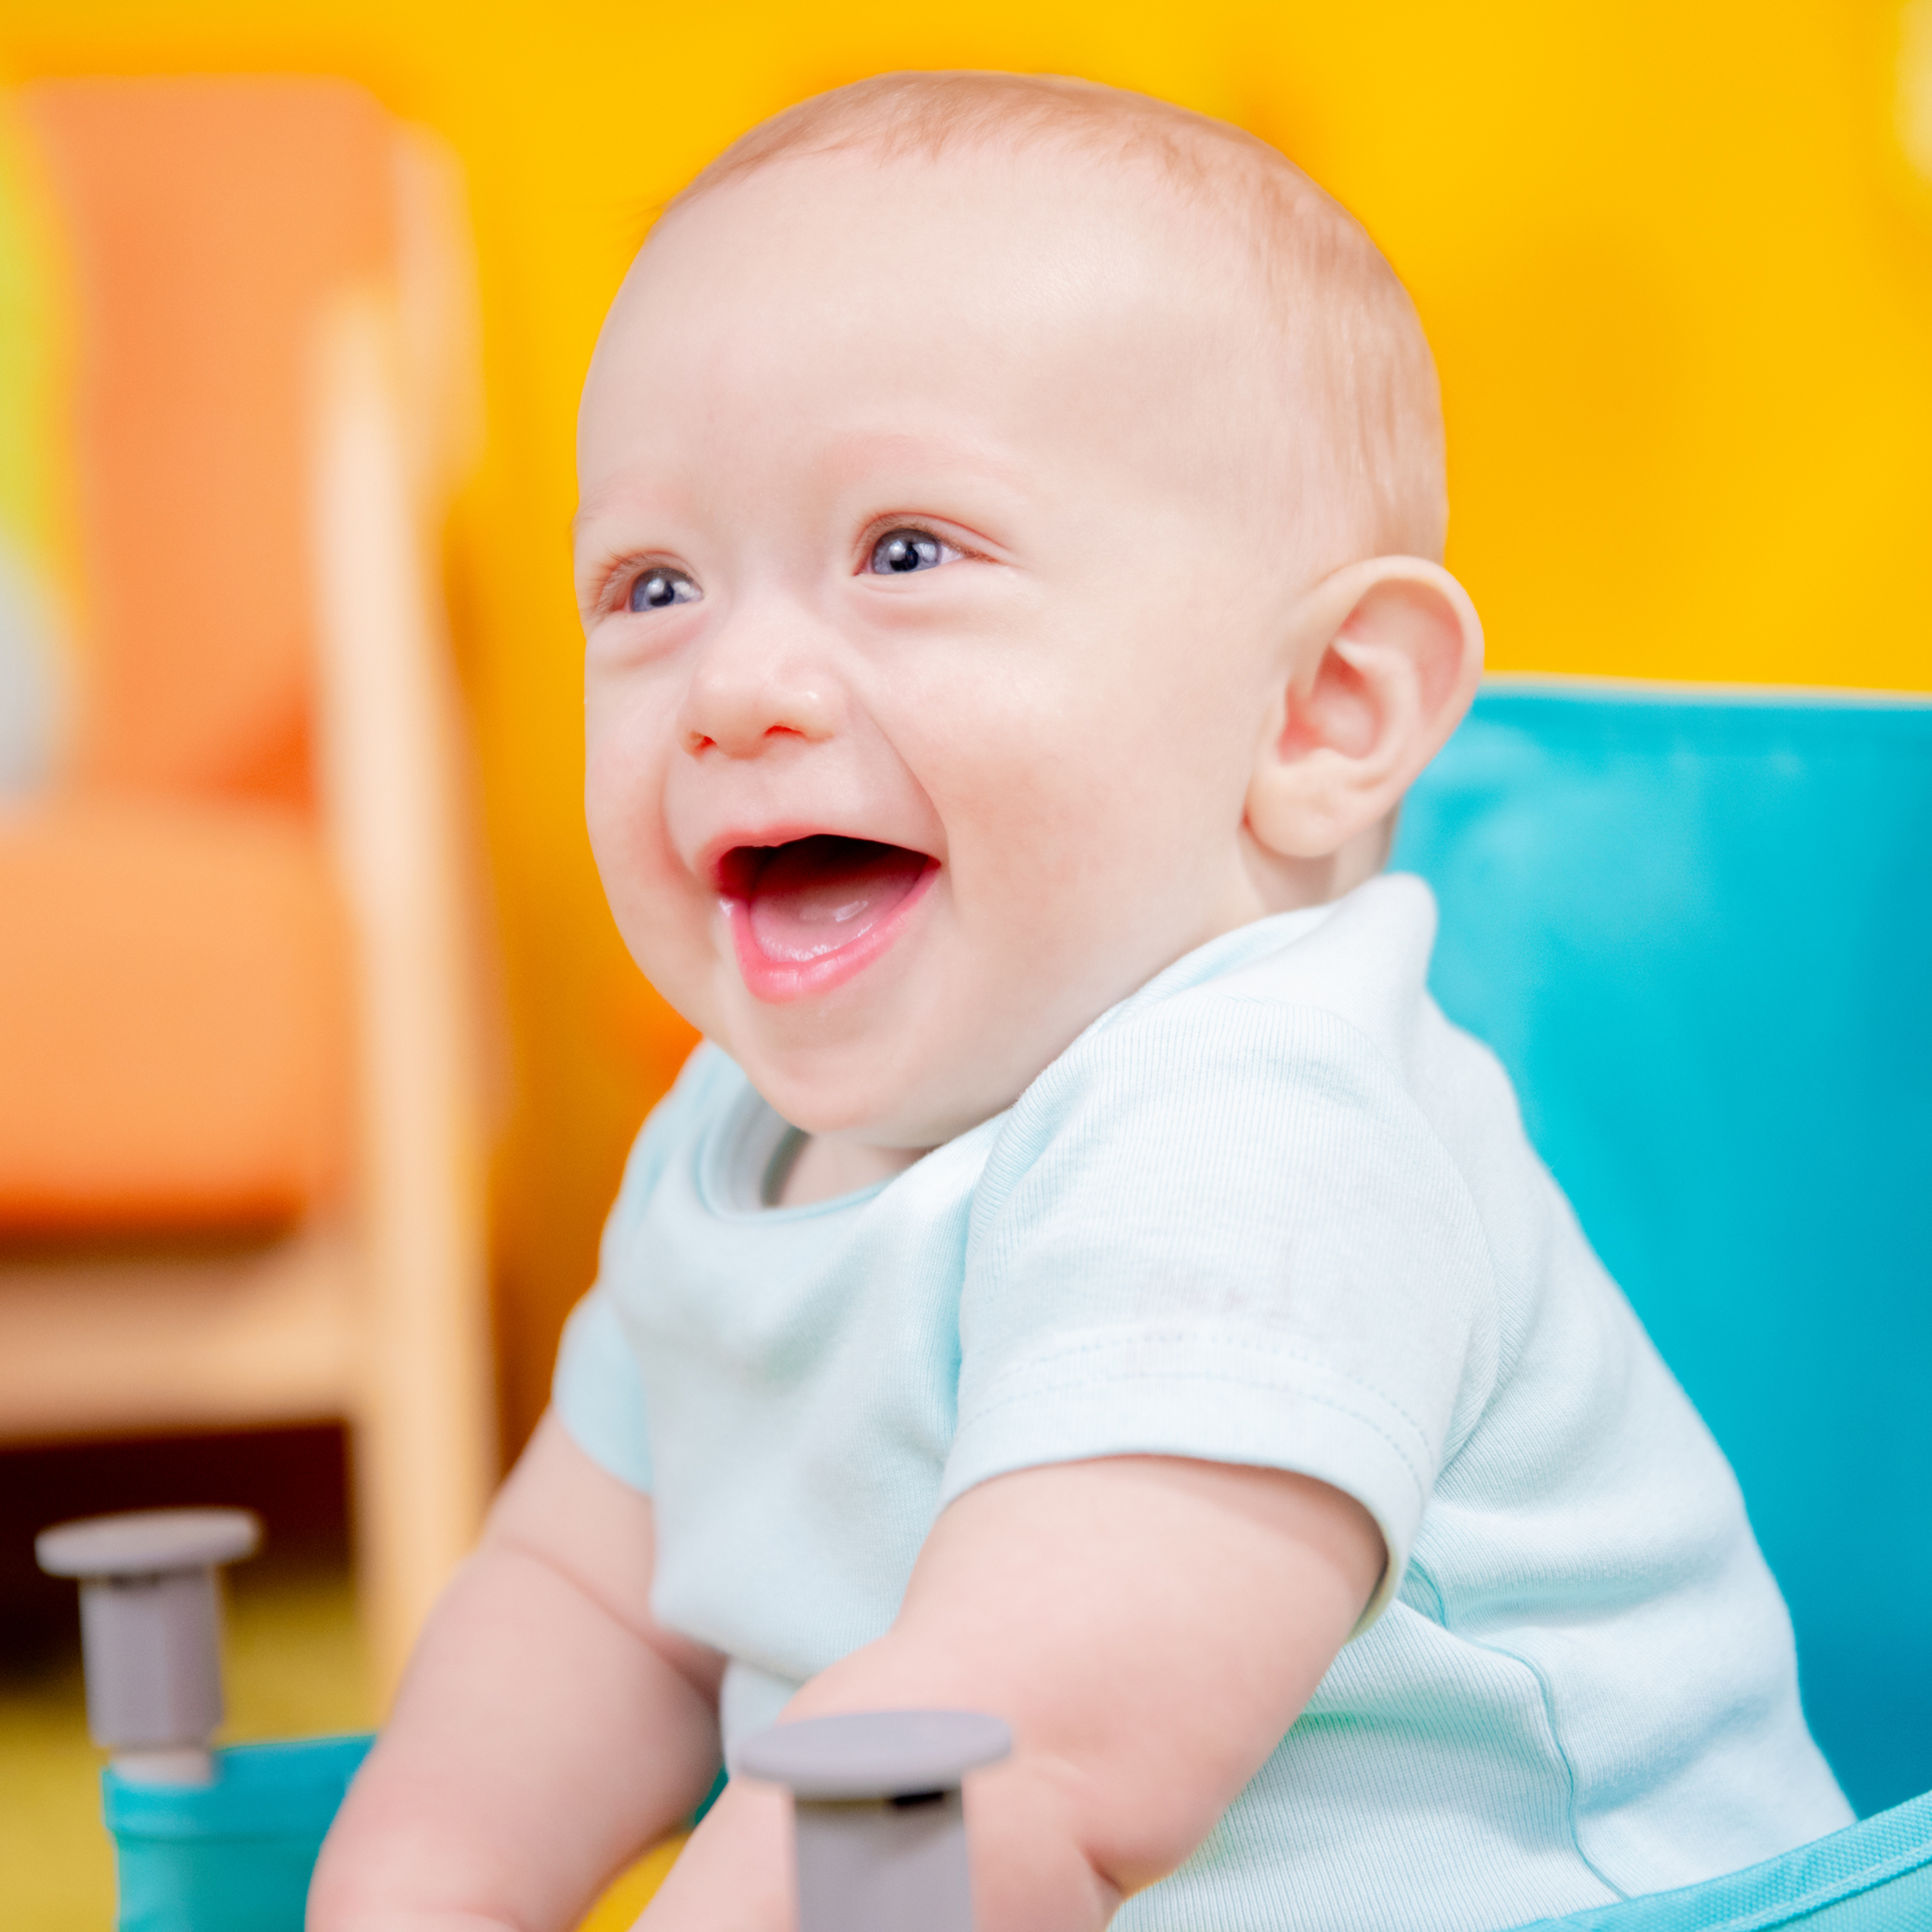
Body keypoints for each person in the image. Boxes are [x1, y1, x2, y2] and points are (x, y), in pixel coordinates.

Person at [310, 71, 1850, 1932]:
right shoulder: (729, 1149)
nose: (730, 685)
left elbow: (1012, 1757)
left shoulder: (1263, 1128)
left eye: (905, 554)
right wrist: (423, 1889)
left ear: (1321, 713)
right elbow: (587, 1608)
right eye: (651, 586)